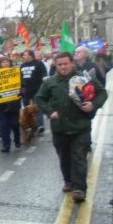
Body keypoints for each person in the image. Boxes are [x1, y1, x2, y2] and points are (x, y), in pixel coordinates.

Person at [35, 52, 107, 202]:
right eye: (59, 64)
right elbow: (40, 99)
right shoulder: (50, 82)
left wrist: (93, 105)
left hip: (80, 127)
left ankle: (79, 188)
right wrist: (50, 112)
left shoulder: (84, 78)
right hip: (60, 128)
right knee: (64, 158)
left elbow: (102, 93)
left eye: (65, 64)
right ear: (56, 65)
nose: (63, 67)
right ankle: (68, 181)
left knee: (79, 157)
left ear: (72, 63)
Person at [0, 57, 21, 153]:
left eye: (7, 62)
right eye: (3, 62)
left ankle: (17, 139)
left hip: (14, 103)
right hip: (1, 104)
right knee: (4, 125)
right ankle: (6, 145)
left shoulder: (16, 72)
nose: (5, 63)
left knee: (14, 124)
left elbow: (23, 84)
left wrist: (23, 90)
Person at [20, 50, 47, 134]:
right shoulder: (22, 65)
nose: (23, 56)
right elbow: (20, 78)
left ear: (31, 56)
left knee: (37, 107)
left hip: (37, 90)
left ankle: (40, 125)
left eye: (25, 55)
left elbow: (44, 75)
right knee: (27, 109)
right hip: (25, 91)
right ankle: (28, 125)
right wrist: (21, 87)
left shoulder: (39, 64)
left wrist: (44, 88)